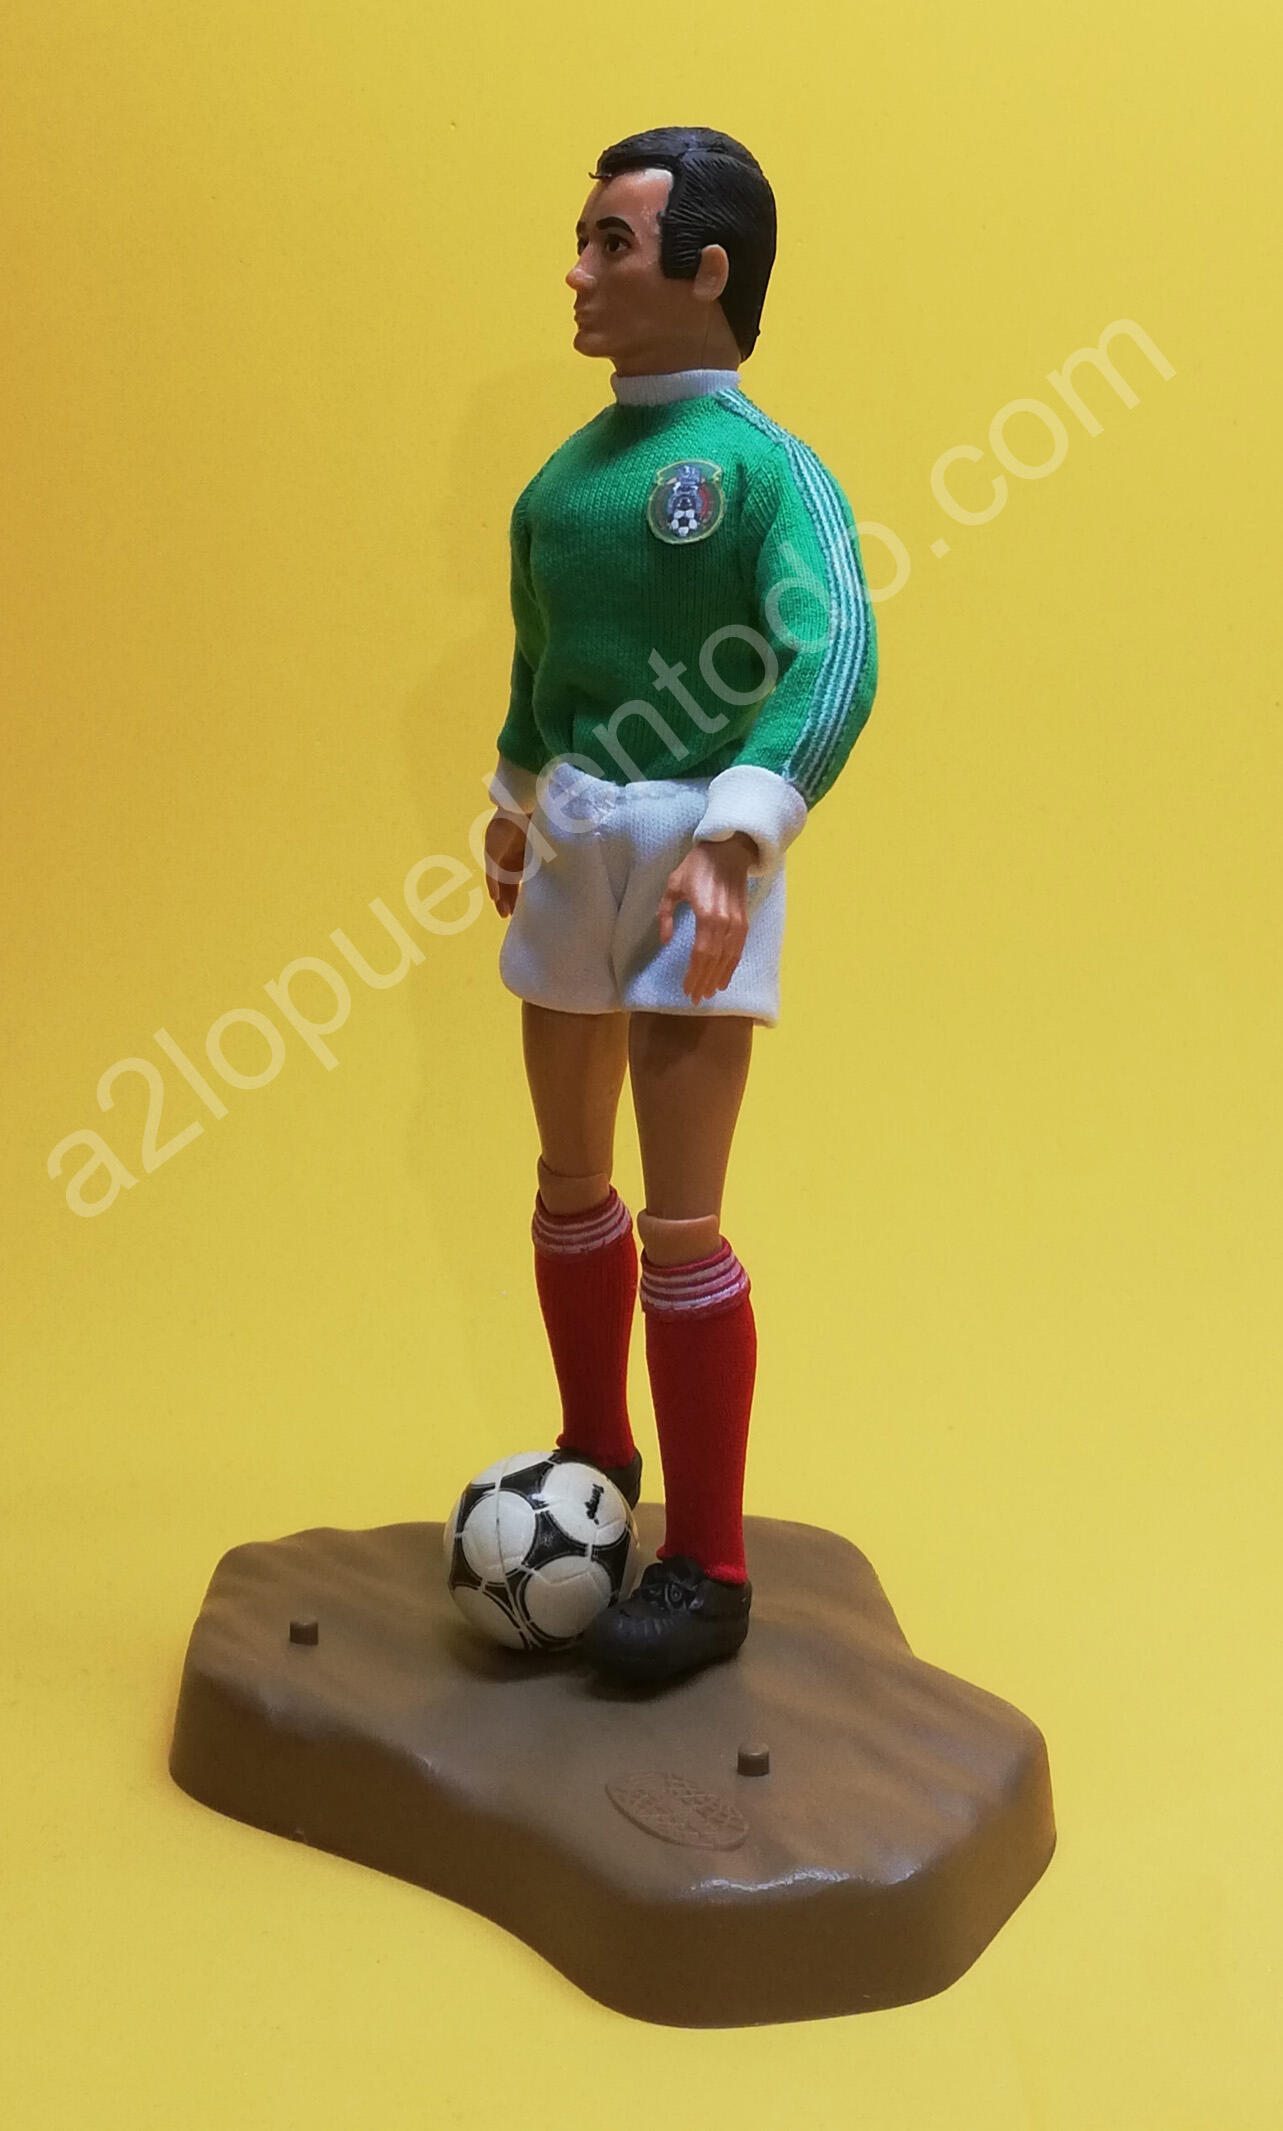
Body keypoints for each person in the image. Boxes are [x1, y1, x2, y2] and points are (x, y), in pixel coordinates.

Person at [480, 126, 878, 1684]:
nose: (578, 273)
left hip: (694, 845)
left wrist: (742, 834)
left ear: (707, 271)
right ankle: (595, 1459)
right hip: (578, 829)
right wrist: (515, 796)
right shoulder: (558, 485)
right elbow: (541, 663)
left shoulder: (768, 474)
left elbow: (831, 661)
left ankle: (709, 1564)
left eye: (613, 244)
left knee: (682, 1212)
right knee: (568, 1176)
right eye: (580, 240)